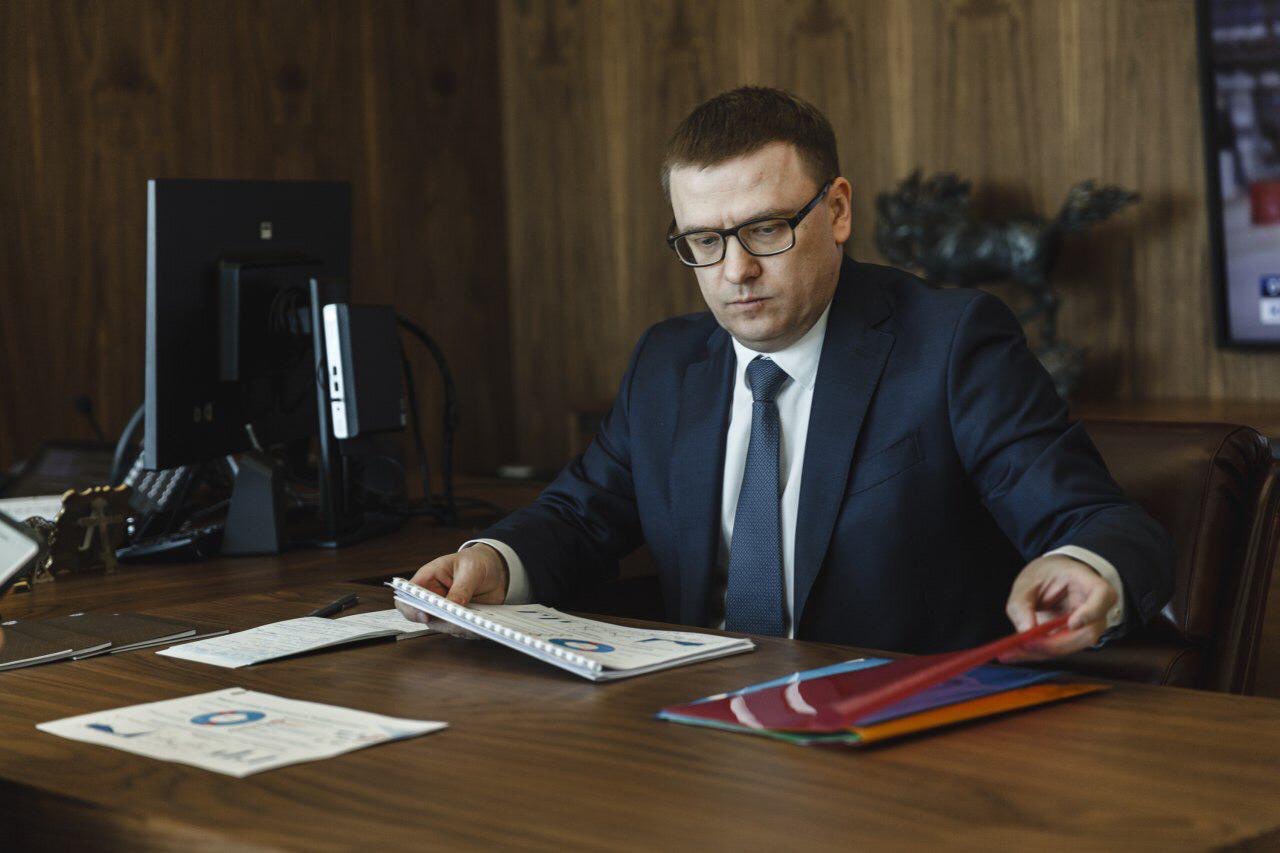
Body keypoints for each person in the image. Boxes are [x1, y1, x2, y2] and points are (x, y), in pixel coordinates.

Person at [398, 86, 1174, 661]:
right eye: (704, 241)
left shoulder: (949, 344)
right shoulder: (668, 363)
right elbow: (579, 517)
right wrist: (493, 562)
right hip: (695, 731)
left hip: (894, 735)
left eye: (765, 229)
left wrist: (1082, 567)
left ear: (836, 211)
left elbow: (1101, 523)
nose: (734, 270)